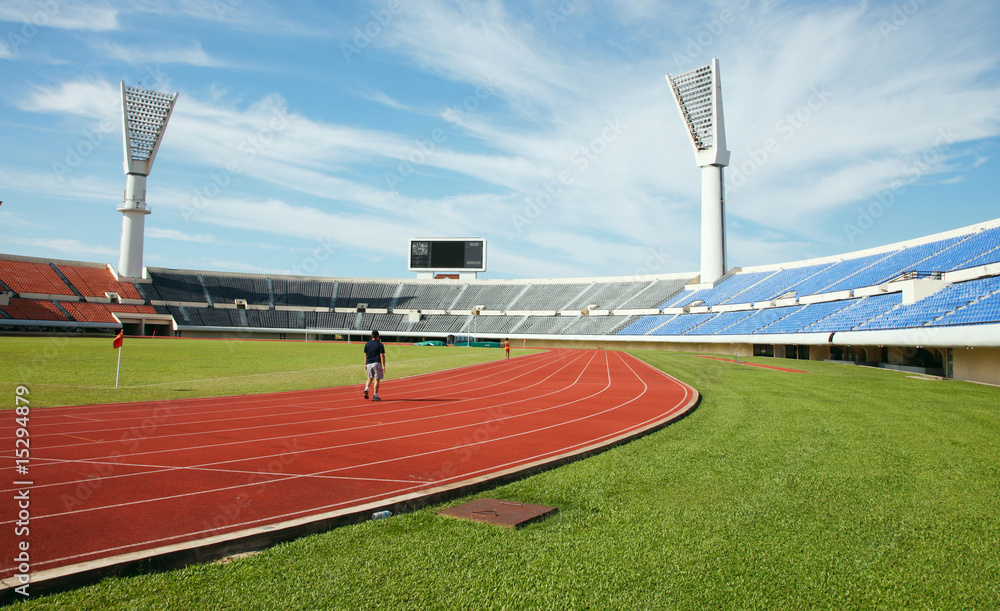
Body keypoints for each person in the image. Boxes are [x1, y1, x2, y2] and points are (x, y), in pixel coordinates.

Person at [363, 330, 386, 401]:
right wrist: (383, 366)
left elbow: (365, 355)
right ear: (377, 336)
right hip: (376, 363)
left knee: (369, 378)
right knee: (377, 379)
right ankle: (375, 395)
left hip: (369, 363)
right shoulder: (380, 345)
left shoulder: (367, 344)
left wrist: (365, 364)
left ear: (371, 336)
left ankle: (366, 389)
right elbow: (382, 355)